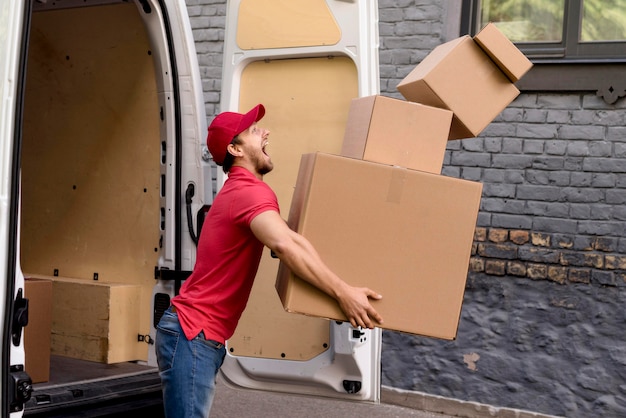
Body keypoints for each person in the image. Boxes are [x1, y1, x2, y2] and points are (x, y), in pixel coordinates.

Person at [154, 103, 383, 417]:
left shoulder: (241, 192)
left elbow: (290, 241)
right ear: (235, 149)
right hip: (193, 333)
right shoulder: (249, 193)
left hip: (195, 335)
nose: (264, 132)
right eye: (252, 131)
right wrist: (344, 293)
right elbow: (286, 245)